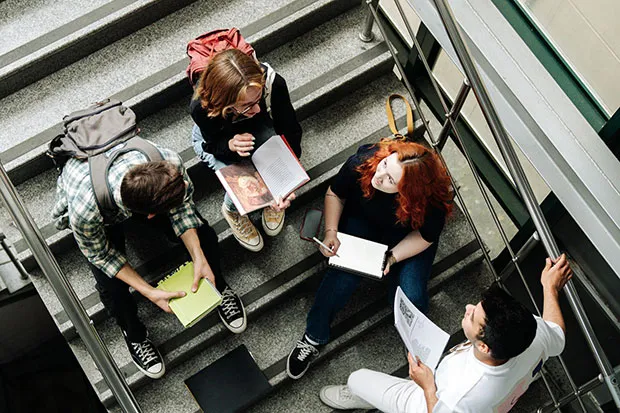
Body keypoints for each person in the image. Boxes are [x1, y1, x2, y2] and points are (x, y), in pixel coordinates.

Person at [52, 144, 246, 380]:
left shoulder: (168, 161)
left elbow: (183, 208)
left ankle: (218, 287)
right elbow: (100, 255)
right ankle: (133, 333)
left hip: (126, 190)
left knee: (203, 235)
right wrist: (148, 291)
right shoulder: (85, 210)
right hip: (100, 205)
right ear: (151, 216)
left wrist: (199, 257)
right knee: (111, 287)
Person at [286, 139, 453, 379]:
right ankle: (314, 336)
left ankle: (418, 353)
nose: (379, 175)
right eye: (385, 164)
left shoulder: (431, 203)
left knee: (412, 295)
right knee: (340, 279)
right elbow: (335, 193)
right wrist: (331, 231)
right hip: (363, 221)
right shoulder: (365, 162)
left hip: (408, 235)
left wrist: (393, 257)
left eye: (390, 180)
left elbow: (425, 237)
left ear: (409, 192)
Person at [319, 254, 572, 413]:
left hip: (427, 403)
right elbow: (557, 337)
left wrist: (428, 387)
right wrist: (549, 288)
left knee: (357, 378)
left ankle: (361, 394)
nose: (467, 308)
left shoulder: (465, 394)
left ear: (485, 347)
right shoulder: (533, 333)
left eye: (473, 316)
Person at [190, 48, 302, 252]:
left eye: (258, 99)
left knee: (273, 163)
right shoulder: (202, 106)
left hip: (259, 130)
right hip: (217, 139)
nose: (257, 109)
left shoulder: (273, 83)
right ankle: (232, 210)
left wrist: (287, 180)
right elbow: (212, 144)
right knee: (239, 179)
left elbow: (290, 130)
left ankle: (270, 200)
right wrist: (230, 145)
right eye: (247, 106)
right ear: (223, 103)